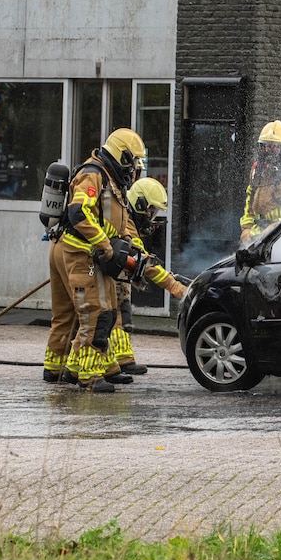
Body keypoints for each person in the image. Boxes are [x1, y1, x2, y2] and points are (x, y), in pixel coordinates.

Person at [43, 128, 148, 392]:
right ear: (121, 155)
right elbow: (79, 212)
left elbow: (118, 221)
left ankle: (64, 368)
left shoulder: (108, 176)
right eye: (132, 161)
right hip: (80, 253)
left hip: (77, 251)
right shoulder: (94, 175)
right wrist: (104, 244)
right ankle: (84, 374)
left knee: (91, 314)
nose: (133, 169)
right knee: (94, 315)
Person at [109, 176, 189, 376]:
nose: (152, 218)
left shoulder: (130, 222)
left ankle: (124, 360)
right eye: (151, 211)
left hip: (119, 279)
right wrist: (175, 286)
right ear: (139, 204)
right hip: (110, 278)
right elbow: (144, 262)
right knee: (112, 319)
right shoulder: (127, 225)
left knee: (122, 316)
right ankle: (106, 364)